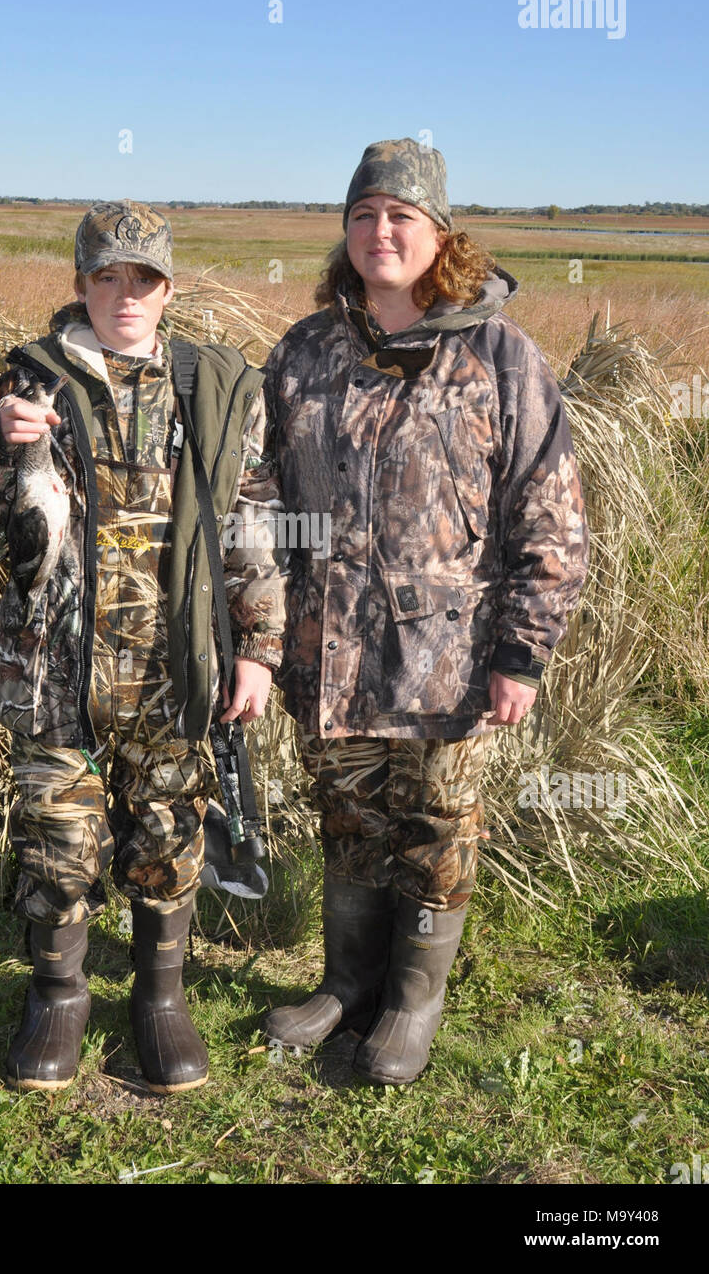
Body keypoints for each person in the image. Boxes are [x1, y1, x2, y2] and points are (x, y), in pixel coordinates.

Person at [0, 200, 287, 1093]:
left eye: (145, 278)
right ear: (81, 282)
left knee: (167, 838)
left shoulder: (215, 387)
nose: (126, 295)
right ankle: (59, 995)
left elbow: (252, 526)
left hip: (178, 671)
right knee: (58, 843)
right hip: (54, 676)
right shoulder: (29, 386)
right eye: (107, 277)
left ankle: (160, 999)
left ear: (168, 288)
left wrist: (259, 648)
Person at [262, 138, 590, 1085]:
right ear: (345, 233)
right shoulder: (306, 349)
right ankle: (346, 984)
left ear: (439, 233)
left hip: (448, 655)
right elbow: (259, 496)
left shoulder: (496, 354)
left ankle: (410, 1001)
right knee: (348, 820)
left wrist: (522, 652)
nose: (379, 232)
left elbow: (549, 508)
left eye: (400, 216)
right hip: (329, 648)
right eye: (363, 216)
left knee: (438, 826)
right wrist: (264, 632)